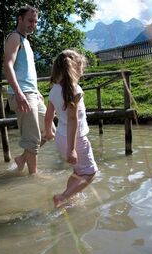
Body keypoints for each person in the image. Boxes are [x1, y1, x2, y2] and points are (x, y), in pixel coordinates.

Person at [4, 5, 54, 174]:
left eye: (36, 21)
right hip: (22, 94)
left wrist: (36, 91)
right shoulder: (14, 37)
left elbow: (25, 71)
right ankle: (34, 175)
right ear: (20, 19)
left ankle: (22, 158)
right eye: (30, 20)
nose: (34, 24)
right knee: (33, 139)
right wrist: (18, 93)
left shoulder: (26, 41)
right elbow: (8, 66)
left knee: (50, 131)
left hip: (32, 93)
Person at [45, 49, 98, 208]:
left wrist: (49, 132)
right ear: (74, 68)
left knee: (77, 172)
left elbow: (48, 117)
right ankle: (63, 197)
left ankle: (67, 198)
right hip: (76, 140)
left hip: (61, 138)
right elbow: (73, 119)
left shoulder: (54, 90)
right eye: (81, 67)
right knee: (90, 173)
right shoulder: (75, 90)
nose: (82, 71)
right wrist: (72, 149)